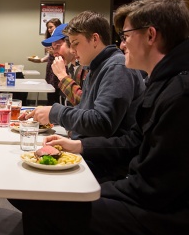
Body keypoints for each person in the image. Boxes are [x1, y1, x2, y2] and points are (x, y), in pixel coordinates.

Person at [11, 0, 189, 235]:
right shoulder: (161, 81)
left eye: (126, 36)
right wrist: (80, 144)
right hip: (137, 186)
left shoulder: (178, 91)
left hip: (159, 212)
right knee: (33, 194)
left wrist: (95, 190)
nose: (122, 44)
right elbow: (134, 140)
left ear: (150, 35)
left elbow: (156, 187)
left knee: (41, 202)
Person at [27, 11, 145, 140]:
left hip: (103, 154)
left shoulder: (117, 67)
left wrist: (56, 113)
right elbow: (84, 110)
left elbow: (101, 123)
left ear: (95, 39)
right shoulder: (95, 67)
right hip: (88, 145)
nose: (72, 50)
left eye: (76, 43)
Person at [41, 23, 88, 106]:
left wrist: (62, 76)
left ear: (71, 43)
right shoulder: (72, 68)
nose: (54, 53)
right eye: (53, 48)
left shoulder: (85, 68)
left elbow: (84, 103)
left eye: (57, 46)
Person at [29, 18, 62, 104]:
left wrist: (54, 52)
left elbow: (63, 56)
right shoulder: (50, 39)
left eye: (51, 27)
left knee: (57, 94)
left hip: (59, 68)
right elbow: (49, 56)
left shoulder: (61, 39)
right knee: (50, 93)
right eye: (48, 27)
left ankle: (56, 111)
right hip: (51, 69)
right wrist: (40, 60)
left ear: (58, 27)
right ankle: (50, 110)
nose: (49, 29)